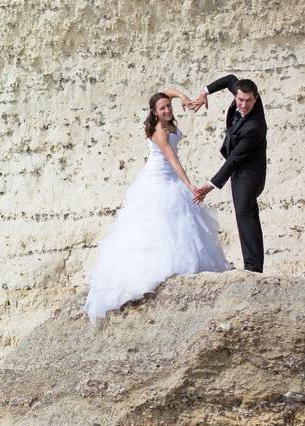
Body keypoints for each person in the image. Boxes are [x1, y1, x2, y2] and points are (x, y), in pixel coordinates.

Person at [84, 90, 230, 320]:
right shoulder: (159, 131)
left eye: (168, 106)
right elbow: (173, 160)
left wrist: (181, 96)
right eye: (162, 108)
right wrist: (191, 185)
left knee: (185, 224)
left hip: (170, 180)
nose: (167, 110)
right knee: (159, 225)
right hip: (159, 180)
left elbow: (167, 92)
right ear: (154, 112)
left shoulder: (168, 117)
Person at [188, 75, 268, 273]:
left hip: (250, 173)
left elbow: (233, 161)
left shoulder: (254, 127)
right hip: (240, 166)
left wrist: (210, 185)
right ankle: (254, 264)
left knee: (244, 213)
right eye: (240, 99)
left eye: (248, 101)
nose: (243, 104)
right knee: (246, 212)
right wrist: (204, 93)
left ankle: (253, 267)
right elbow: (229, 79)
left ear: (255, 99)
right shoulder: (239, 90)